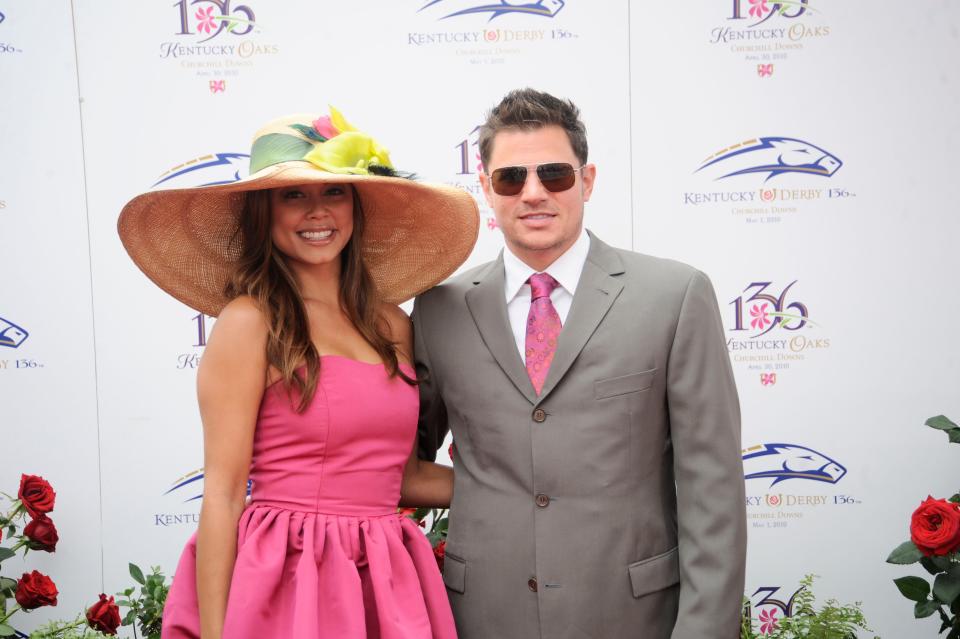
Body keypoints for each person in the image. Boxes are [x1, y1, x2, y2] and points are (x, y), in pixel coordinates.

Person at [118, 107, 479, 639]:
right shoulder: (249, 323)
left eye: (333, 193)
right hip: (288, 577)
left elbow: (404, 479)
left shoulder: (392, 325)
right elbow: (221, 493)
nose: (318, 212)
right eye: (294, 195)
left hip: (383, 578)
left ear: (356, 205)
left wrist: (525, 484)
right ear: (264, 213)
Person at [412, 88, 747, 639]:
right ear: (487, 189)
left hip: (633, 615)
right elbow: (394, 458)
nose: (534, 193)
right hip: (482, 616)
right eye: (511, 178)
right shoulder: (438, 309)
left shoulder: (674, 295)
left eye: (555, 175)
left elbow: (712, 490)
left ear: (587, 181)